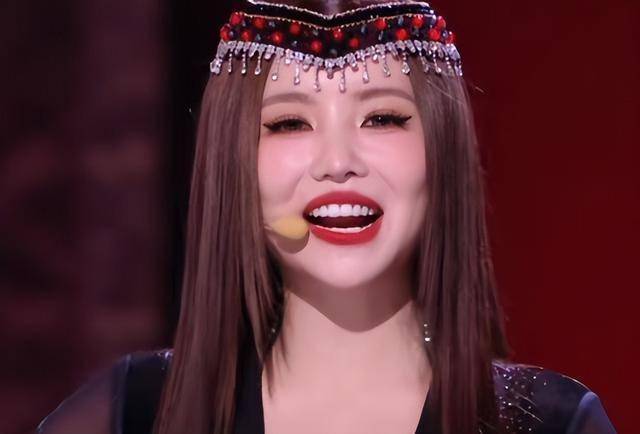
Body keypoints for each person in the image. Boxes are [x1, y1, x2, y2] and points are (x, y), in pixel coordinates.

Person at [36, 1, 617, 433]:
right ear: (233, 167)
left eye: (382, 118)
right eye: (290, 123)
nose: (338, 163)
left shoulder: (550, 423)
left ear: (444, 150)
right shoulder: (135, 413)